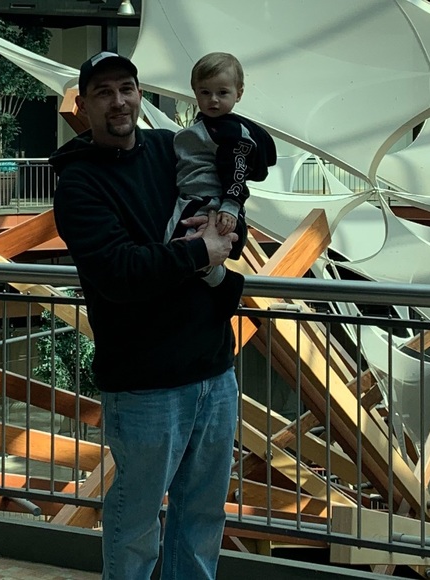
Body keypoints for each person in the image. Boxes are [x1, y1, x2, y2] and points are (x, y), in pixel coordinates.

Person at [50, 51, 247, 580]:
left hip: (214, 372)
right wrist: (199, 253)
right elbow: (120, 273)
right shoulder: (78, 185)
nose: (118, 101)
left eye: (127, 88)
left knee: (202, 515)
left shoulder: (170, 147)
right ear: (83, 105)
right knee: (136, 521)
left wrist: (223, 230)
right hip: (145, 385)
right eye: (104, 92)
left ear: (140, 94)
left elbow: (225, 214)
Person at [164, 52, 277, 287]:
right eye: (205, 92)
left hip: (208, 201)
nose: (213, 100)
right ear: (195, 92)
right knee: (180, 244)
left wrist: (230, 207)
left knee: (175, 244)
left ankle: (219, 280)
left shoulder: (231, 133)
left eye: (222, 93)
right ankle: (215, 277)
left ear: (239, 94)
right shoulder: (210, 126)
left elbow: (235, 172)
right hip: (197, 197)